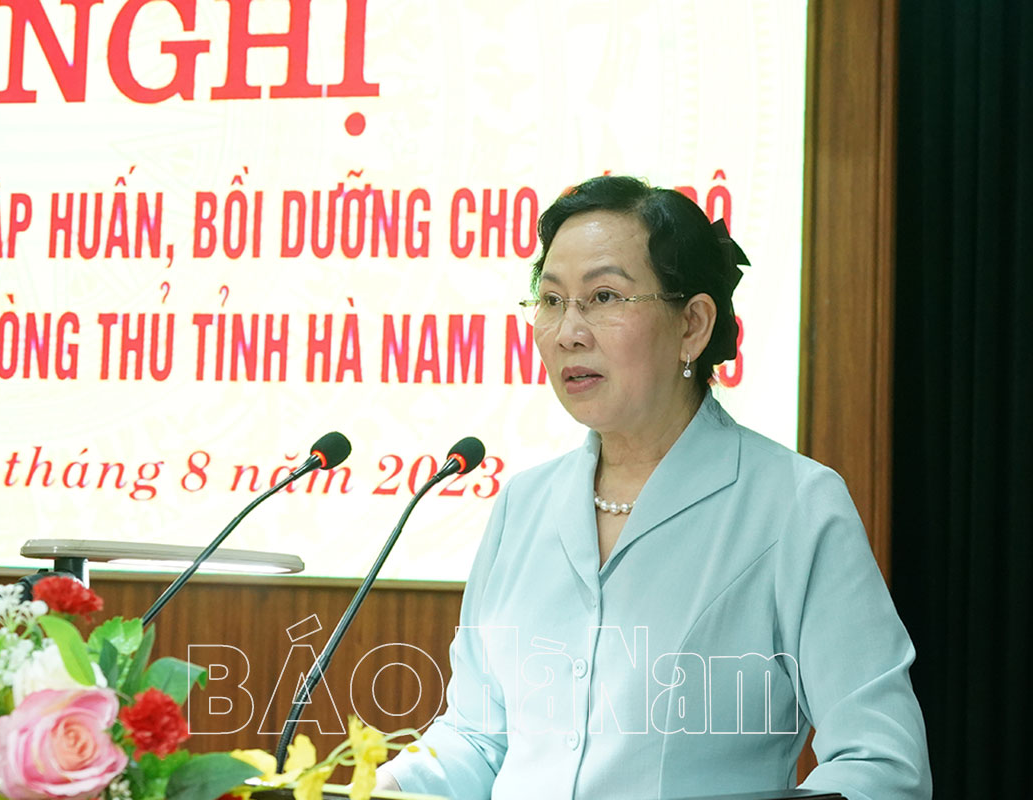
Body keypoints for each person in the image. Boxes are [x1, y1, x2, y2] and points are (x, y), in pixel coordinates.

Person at [376, 176, 931, 799]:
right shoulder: (523, 505)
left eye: (604, 296)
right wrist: (393, 787)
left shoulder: (793, 505)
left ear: (692, 325)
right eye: (552, 300)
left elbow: (881, 765)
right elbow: (480, 739)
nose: (567, 333)